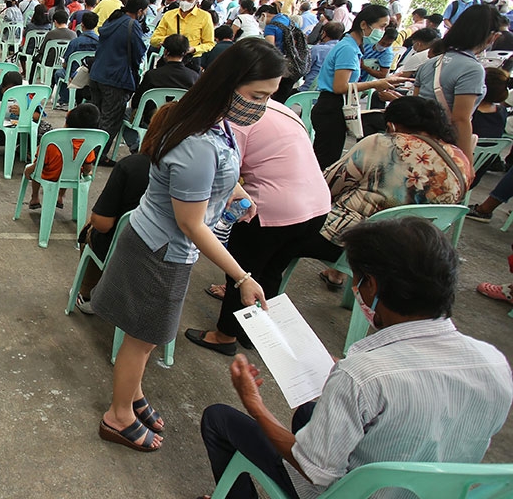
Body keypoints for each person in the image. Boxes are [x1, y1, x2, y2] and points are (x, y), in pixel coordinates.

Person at [199, 217, 512, 499]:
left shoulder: (361, 376)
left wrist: (254, 404)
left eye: (358, 279)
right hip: (433, 489)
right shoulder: (495, 363)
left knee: (218, 419)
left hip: (345, 490)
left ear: (371, 285)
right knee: (307, 412)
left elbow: (313, 470)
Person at [92, 39, 277, 452]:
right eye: (256, 96)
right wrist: (241, 277)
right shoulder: (197, 142)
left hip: (163, 244)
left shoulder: (212, 121)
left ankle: (133, 394)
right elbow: (190, 224)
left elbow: (215, 174)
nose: (261, 107)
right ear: (228, 85)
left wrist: (235, 193)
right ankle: (117, 416)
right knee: (142, 338)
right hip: (161, 251)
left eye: (269, 96)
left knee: (148, 336)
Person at [185, 99, 330, 355]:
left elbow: (223, 171)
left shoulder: (235, 121)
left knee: (242, 272)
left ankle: (225, 336)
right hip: (317, 205)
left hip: (273, 208)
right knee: (272, 269)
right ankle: (254, 333)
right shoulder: (282, 109)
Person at [305, 96, 472, 289]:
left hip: (356, 244)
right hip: (410, 253)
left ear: (392, 126)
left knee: (288, 228)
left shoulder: (382, 143)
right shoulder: (461, 160)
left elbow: (327, 185)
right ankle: (337, 274)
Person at [309, 5, 406, 169]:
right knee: (325, 161)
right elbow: (340, 87)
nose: (383, 32)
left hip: (334, 106)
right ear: (364, 24)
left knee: (326, 157)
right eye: (382, 26)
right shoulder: (348, 49)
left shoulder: (352, 46)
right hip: (331, 107)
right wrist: (376, 83)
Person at [413, 4, 501, 163]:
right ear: (492, 36)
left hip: (414, 139)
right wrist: (466, 162)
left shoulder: (431, 62)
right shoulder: (473, 69)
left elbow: (415, 102)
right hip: (439, 147)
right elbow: (460, 120)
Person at [73, 150, 151, 314]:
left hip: (123, 248)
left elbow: (102, 224)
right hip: (163, 260)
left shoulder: (133, 165)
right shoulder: (198, 172)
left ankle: (87, 295)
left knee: (92, 225)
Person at [91, 0, 152, 163]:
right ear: (140, 11)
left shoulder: (113, 20)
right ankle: (98, 156)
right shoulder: (131, 25)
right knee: (110, 120)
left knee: (97, 117)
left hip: (98, 73)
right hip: (116, 78)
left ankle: (89, 152)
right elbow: (138, 53)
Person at [23, 103, 99, 212]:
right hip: (72, 176)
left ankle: (35, 197)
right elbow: (87, 167)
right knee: (71, 169)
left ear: (67, 122)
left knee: (37, 171)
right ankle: (60, 196)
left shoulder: (51, 140)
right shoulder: (87, 145)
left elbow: (39, 164)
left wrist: (29, 170)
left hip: (48, 175)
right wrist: (87, 173)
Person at [0, 70, 52, 158]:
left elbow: (38, 116)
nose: (12, 94)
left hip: (21, 132)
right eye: (8, 90)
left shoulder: (27, 95)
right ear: (2, 87)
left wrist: (23, 113)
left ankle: (25, 148)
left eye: (15, 90)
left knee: (46, 128)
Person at [150, 0, 215, 56]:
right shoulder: (169, 15)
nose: (185, 2)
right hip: (170, 57)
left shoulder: (205, 17)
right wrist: (168, 40)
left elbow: (209, 44)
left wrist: (194, 49)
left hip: (191, 58)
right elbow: (153, 40)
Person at [300, 22, 343, 89]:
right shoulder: (342, 50)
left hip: (309, 89)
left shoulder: (317, 49)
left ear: (324, 33)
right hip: (329, 89)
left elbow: (304, 69)